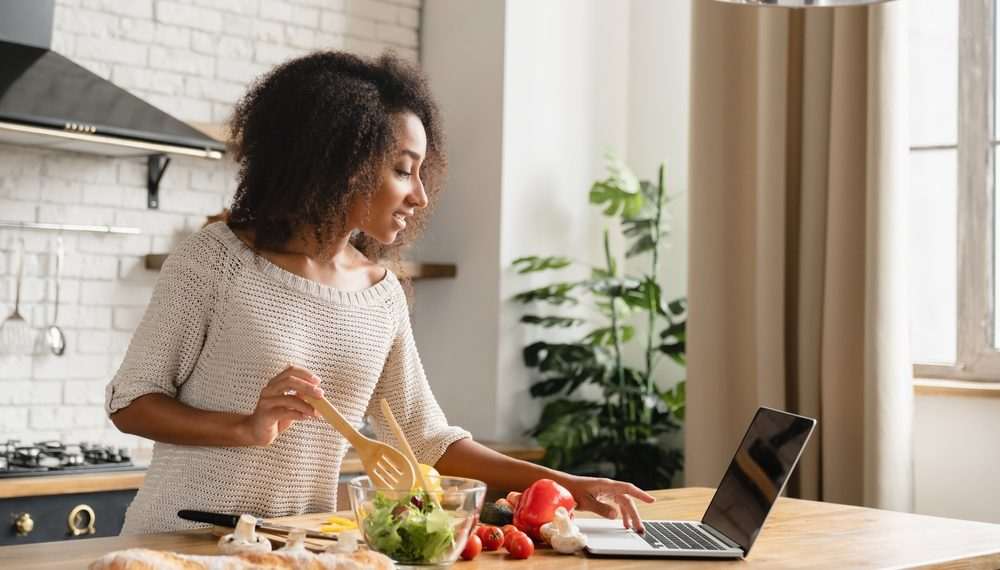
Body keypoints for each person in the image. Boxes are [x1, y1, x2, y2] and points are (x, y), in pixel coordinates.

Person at [106, 51, 653, 535]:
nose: (418, 195)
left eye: (420, 173)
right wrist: (245, 427)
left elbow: (427, 440)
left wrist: (566, 484)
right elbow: (130, 402)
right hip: (178, 540)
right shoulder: (216, 260)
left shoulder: (380, 295)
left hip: (295, 548)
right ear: (338, 163)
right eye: (401, 170)